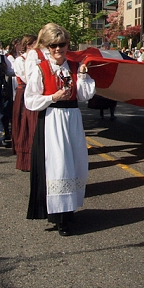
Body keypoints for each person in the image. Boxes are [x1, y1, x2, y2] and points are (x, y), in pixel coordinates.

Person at [25, 23, 95, 236]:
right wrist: (51, 97)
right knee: (57, 165)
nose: (58, 50)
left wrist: (82, 75)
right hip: (51, 119)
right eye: (53, 46)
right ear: (46, 46)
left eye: (62, 45)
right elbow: (30, 100)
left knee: (73, 162)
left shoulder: (73, 67)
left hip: (72, 118)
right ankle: (58, 217)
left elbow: (84, 96)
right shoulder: (41, 68)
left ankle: (68, 211)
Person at [12, 34, 38, 171]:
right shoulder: (20, 60)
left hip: (35, 94)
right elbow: (28, 79)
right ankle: (25, 156)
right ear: (29, 45)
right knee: (24, 123)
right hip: (24, 93)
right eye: (35, 43)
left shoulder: (36, 58)